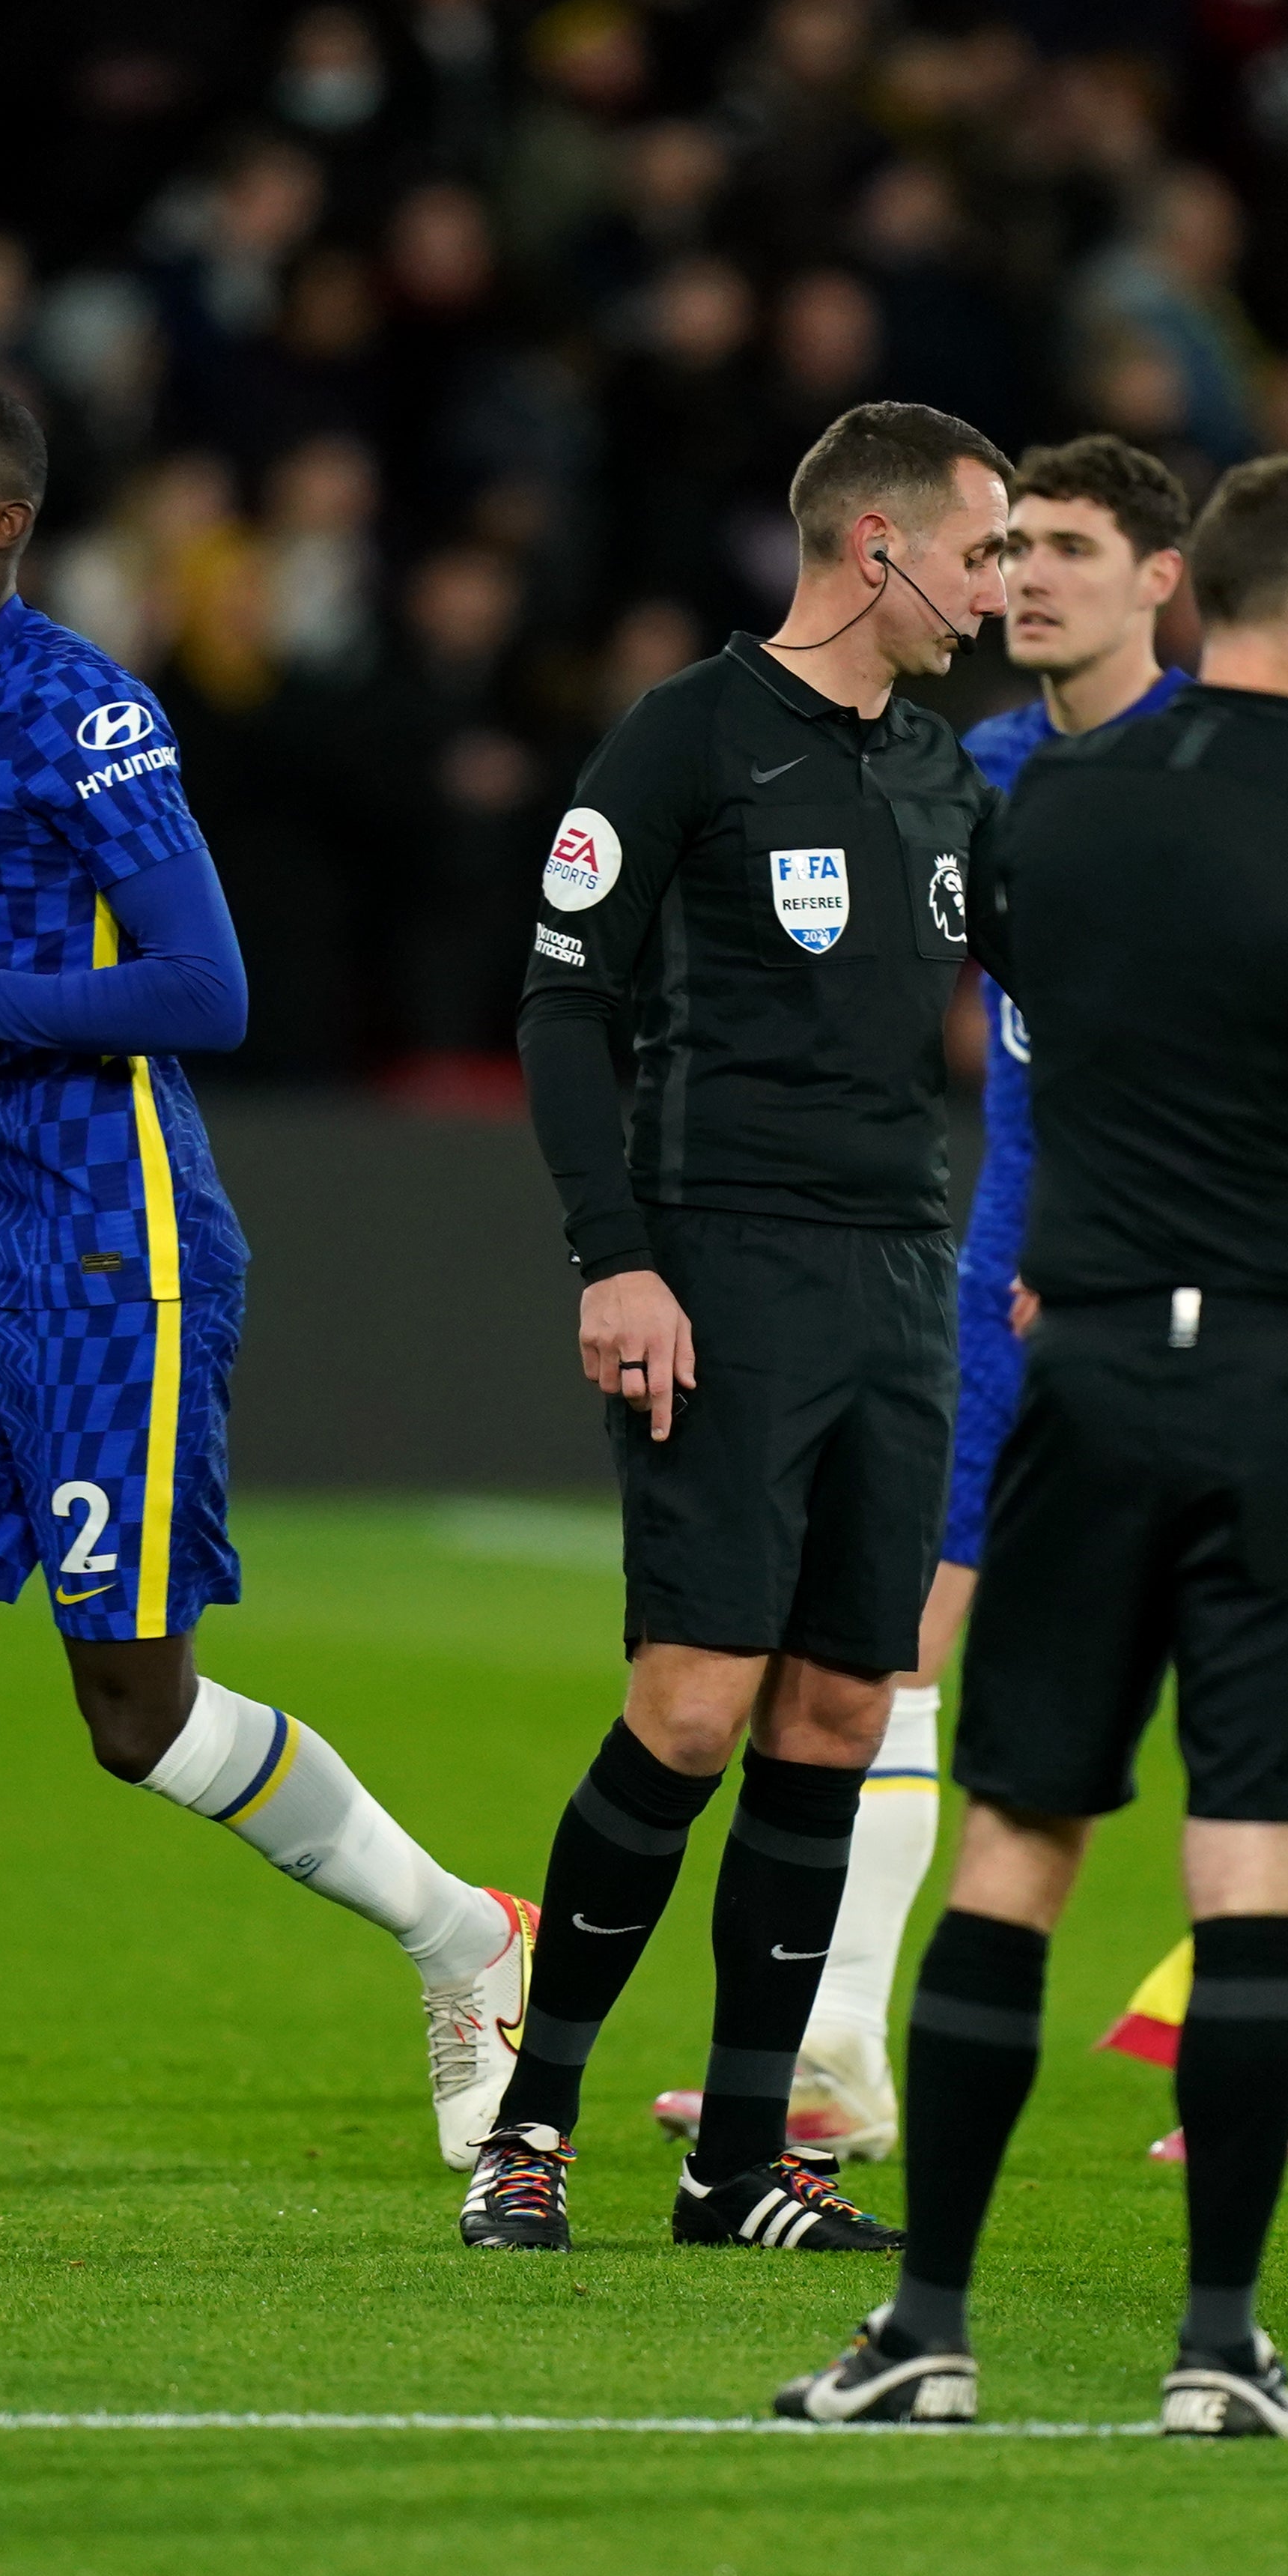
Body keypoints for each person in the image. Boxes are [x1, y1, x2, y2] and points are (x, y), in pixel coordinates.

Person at [0, 381, 532, 2242]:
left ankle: (468, 1931)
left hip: (103, 1248)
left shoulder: (83, 707)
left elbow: (215, 989)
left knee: (133, 1714)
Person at [773, 455, 1288, 2435]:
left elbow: (993, 1045)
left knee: (1016, 1843)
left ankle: (922, 2326)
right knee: (1245, 1868)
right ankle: (1212, 2351)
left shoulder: (1048, 813)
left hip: (1085, 1371)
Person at [460, 400, 1014, 2257]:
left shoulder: (944, 774)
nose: (995, 588)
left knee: (845, 1705)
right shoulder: (688, 735)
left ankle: (738, 2164)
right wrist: (610, 1257)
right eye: (983, 549)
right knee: (690, 1704)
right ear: (879, 547)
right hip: (720, 1268)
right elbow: (558, 1007)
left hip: (897, 1278)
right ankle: (529, 2127)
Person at [645, 431, 1194, 2165]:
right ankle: (836, 2058)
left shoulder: (1220, 777)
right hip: (975, 1268)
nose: (1023, 578)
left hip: (1160, 1268)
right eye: (1008, 547)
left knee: (1215, 1628)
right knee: (885, 1662)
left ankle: (1286, 2025)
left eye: (1068, 551)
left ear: (1163, 580)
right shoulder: (971, 764)